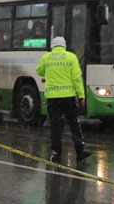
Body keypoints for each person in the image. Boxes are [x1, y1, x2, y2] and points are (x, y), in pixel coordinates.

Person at [35, 36, 91, 165]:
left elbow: (39, 71)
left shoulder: (46, 57)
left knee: (55, 125)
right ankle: (80, 151)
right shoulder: (71, 57)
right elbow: (77, 78)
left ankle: (57, 152)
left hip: (52, 98)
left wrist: (49, 73)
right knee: (74, 123)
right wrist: (81, 96)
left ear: (53, 46)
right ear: (64, 46)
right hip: (68, 98)